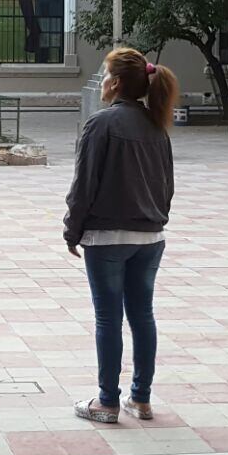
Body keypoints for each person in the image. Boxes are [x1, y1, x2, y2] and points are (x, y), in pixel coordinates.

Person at [65, 47, 179, 424]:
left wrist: (72, 229)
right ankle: (141, 399)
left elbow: (84, 186)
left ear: (114, 83)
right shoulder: (156, 126)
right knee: (142, 315)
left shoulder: (100, 124)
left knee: (108, 319)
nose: (100, 81)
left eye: (103, 74)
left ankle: (107, 402)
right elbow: (167, 186)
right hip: (150, 237)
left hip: (107, 239)